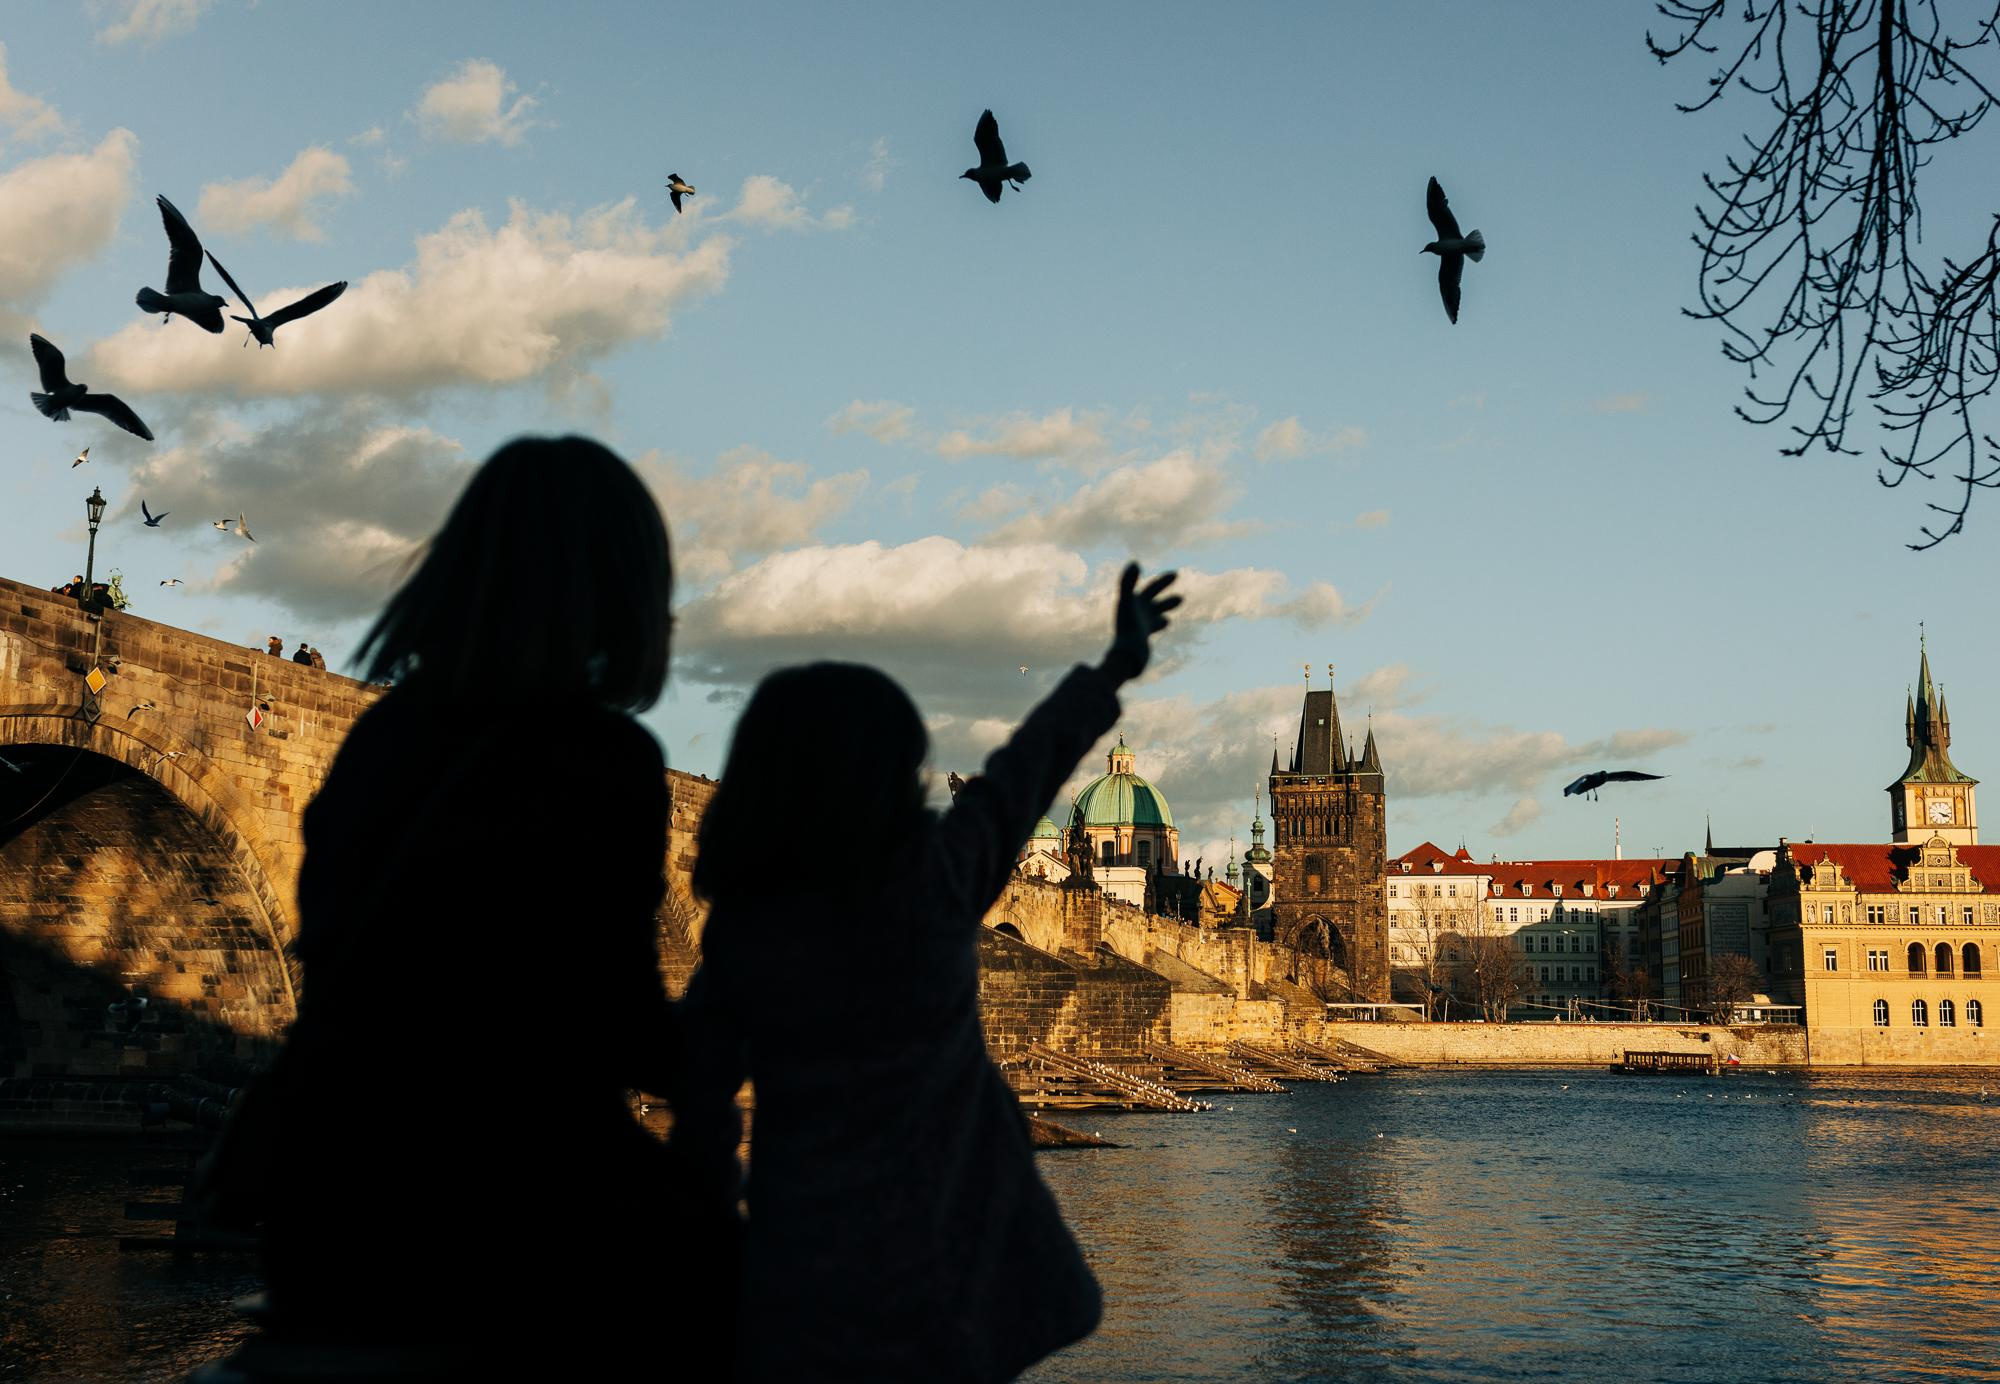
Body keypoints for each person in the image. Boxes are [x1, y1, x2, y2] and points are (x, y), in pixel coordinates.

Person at [229, 436, 711, 1375]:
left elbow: (335, 963)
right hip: (511, 1204)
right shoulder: (603, 758)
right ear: (622, 596)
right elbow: (617, 1022)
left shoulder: (382, 737)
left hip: (332, 1193)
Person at [678, 562, 1180, 1382]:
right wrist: (1117, 664)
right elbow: (1023, 773)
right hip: (956, 1264)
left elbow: (696, 1090)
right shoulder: (932, 881)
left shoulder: (749, 928)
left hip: (807, 1267)